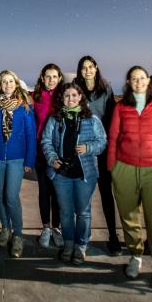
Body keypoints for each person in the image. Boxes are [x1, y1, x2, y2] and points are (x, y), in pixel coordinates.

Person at [108, 66, 152, 289]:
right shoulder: (121, 107)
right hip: (125, 168)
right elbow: (114, 137)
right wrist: (113, 167)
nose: (138, 82)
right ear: (128, 82)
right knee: (129, 218)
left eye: (141, 78)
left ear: (149, 81)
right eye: (133, 79)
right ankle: (135, 255)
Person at [41, 83, 107, 264]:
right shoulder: (54, 119)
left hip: (84, 174)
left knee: (83, 211)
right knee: (65, 211)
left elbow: (102, 142)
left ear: (80, 97)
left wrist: (88, 147)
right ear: (62, 99)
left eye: (74, 95)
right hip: (61, 174)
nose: (70, 99)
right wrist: (52, 159)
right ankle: (68, 243)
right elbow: (46, 142)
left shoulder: (91, 119)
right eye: (66, 96)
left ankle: (81, 245)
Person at [73, 55, 121, 256]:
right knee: (82, 197)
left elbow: (111, 118)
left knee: (106, 194)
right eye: (83, 68)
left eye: (90, 67)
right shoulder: (75, 88)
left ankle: (113, 236)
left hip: (101, 149)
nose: (87, 71)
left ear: (96, 68)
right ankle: (82, 236)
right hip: (81, 150)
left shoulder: (106, 89)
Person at [0, 70, 36, 258]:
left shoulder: (24, 108)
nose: (7, 84)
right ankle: (5, 228)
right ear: (0, 84)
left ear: (16, 84)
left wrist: (29, 160)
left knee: (11, 197)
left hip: (17, 158)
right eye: (4, 81)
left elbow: (31, 135)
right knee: (0, 195)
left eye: (11, 81)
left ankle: (18, 234)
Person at [32, 63, 64, 249]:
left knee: (57, 192)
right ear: (42, 78)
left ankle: (56, 228)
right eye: (47, 76)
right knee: (44, 191)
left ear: (60, 78)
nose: (51, 80)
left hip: (59, 154)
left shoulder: (64, 96)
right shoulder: (35, 97)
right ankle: (45, 228)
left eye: (54, 76)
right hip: (40, 153)